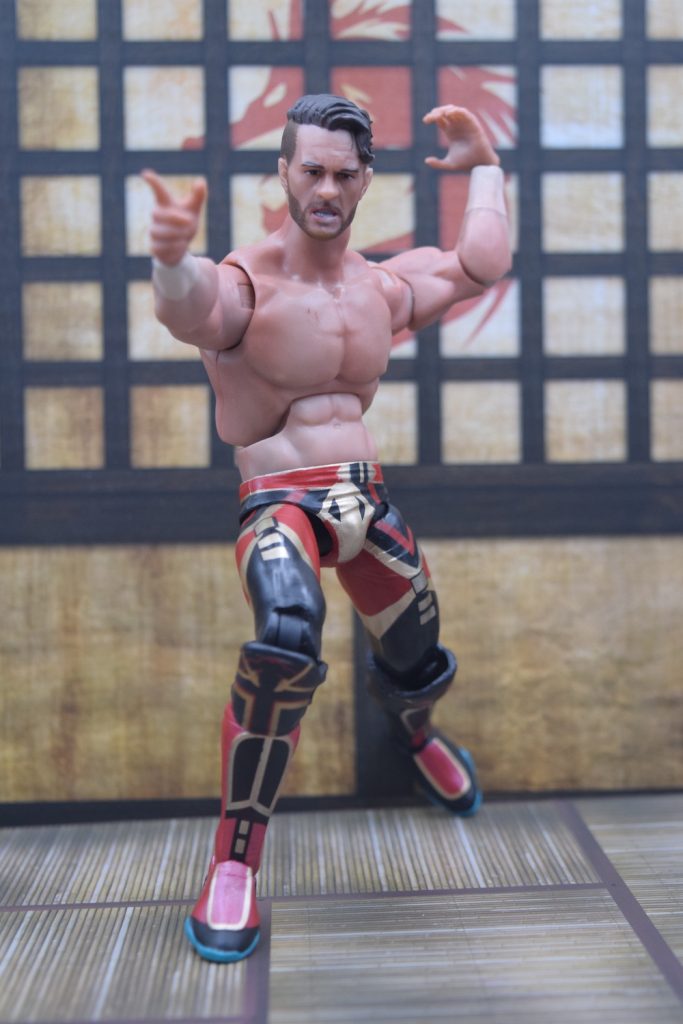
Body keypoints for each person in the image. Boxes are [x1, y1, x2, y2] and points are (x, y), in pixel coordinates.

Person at [143, 94, 511, 963]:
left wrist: (487, 170)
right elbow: (193, 311)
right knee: (283, 642)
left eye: (344, 174)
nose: (326, 189)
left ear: (364, 180)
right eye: (311, 170)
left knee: (417, 657)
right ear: (284, 171)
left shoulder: (378, 287)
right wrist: (169, 258)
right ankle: (234, 861)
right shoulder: (246, 282)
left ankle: (414, 734)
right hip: (281, 504)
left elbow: (477, 266)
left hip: (365, 501)